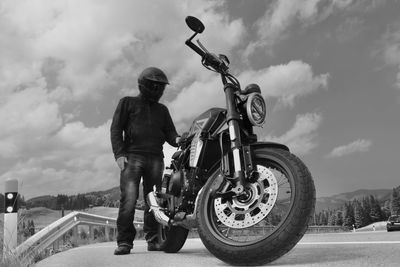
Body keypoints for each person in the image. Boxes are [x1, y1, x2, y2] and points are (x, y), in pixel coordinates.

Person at [110, 67, 180, 255]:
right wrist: (119, 154)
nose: (158, 90)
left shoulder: (162, 110)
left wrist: (179, 139)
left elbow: (170, 133)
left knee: (154, 202)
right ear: (144, 85)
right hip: (132, 156)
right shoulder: (127, 103)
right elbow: (116, 129)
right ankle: (124, 242)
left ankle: (153, 239)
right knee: (129, 199)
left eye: (161, 87)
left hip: (156, 158)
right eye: (155, 86)